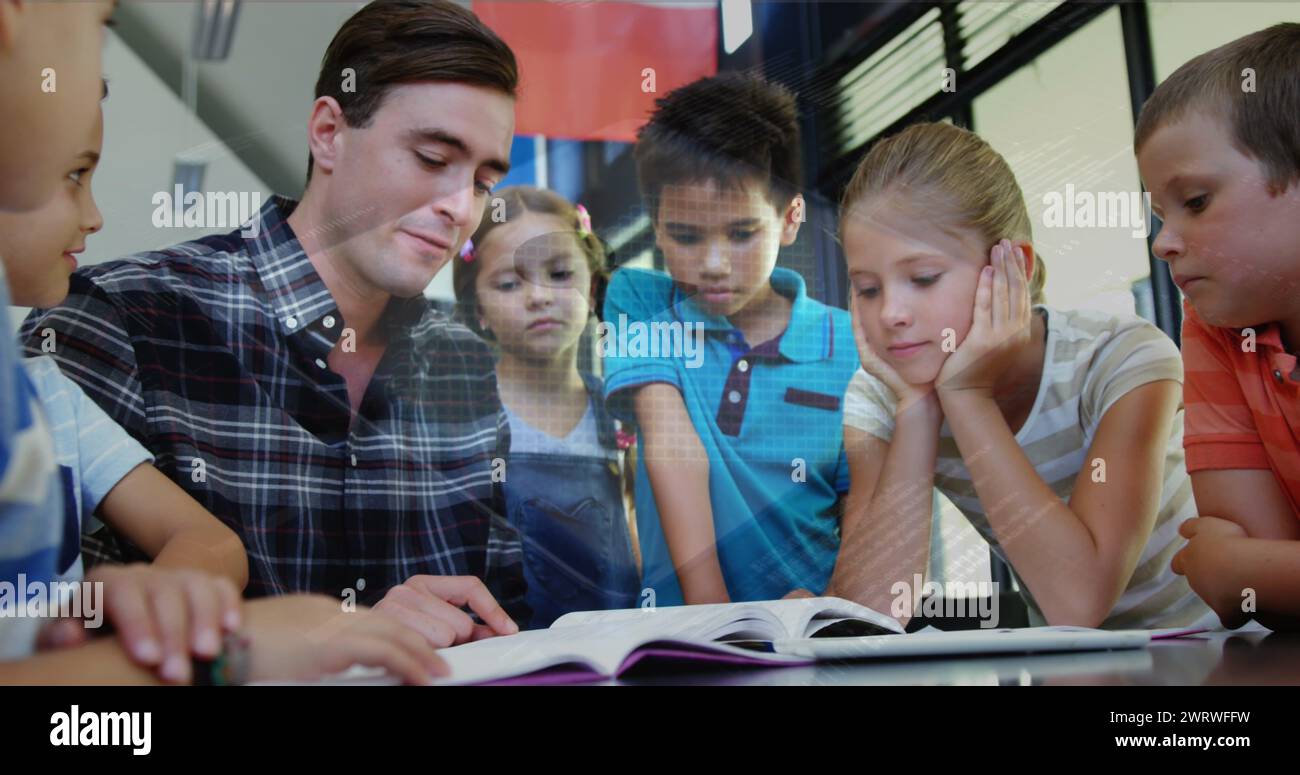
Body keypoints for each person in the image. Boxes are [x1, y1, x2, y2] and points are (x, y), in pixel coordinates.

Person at [835, 121, 1216, 630]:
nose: (891, 314)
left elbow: (1079, 602)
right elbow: (867, 616)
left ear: (1011, 266)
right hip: (1071, 672)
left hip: (1221, 655)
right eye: (867, 288)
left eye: (922, 278)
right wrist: (918, 410)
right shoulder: (881, 398)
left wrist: (967, 396)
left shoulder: (1122, 357)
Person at [1135, 23, 1300, 631]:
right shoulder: (1215, 326)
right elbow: (1249, 583)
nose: (1163, 243)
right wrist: (1251, 571)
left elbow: (1243, 570)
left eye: (1196, 201)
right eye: (1159, 213)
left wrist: (1250, 569)